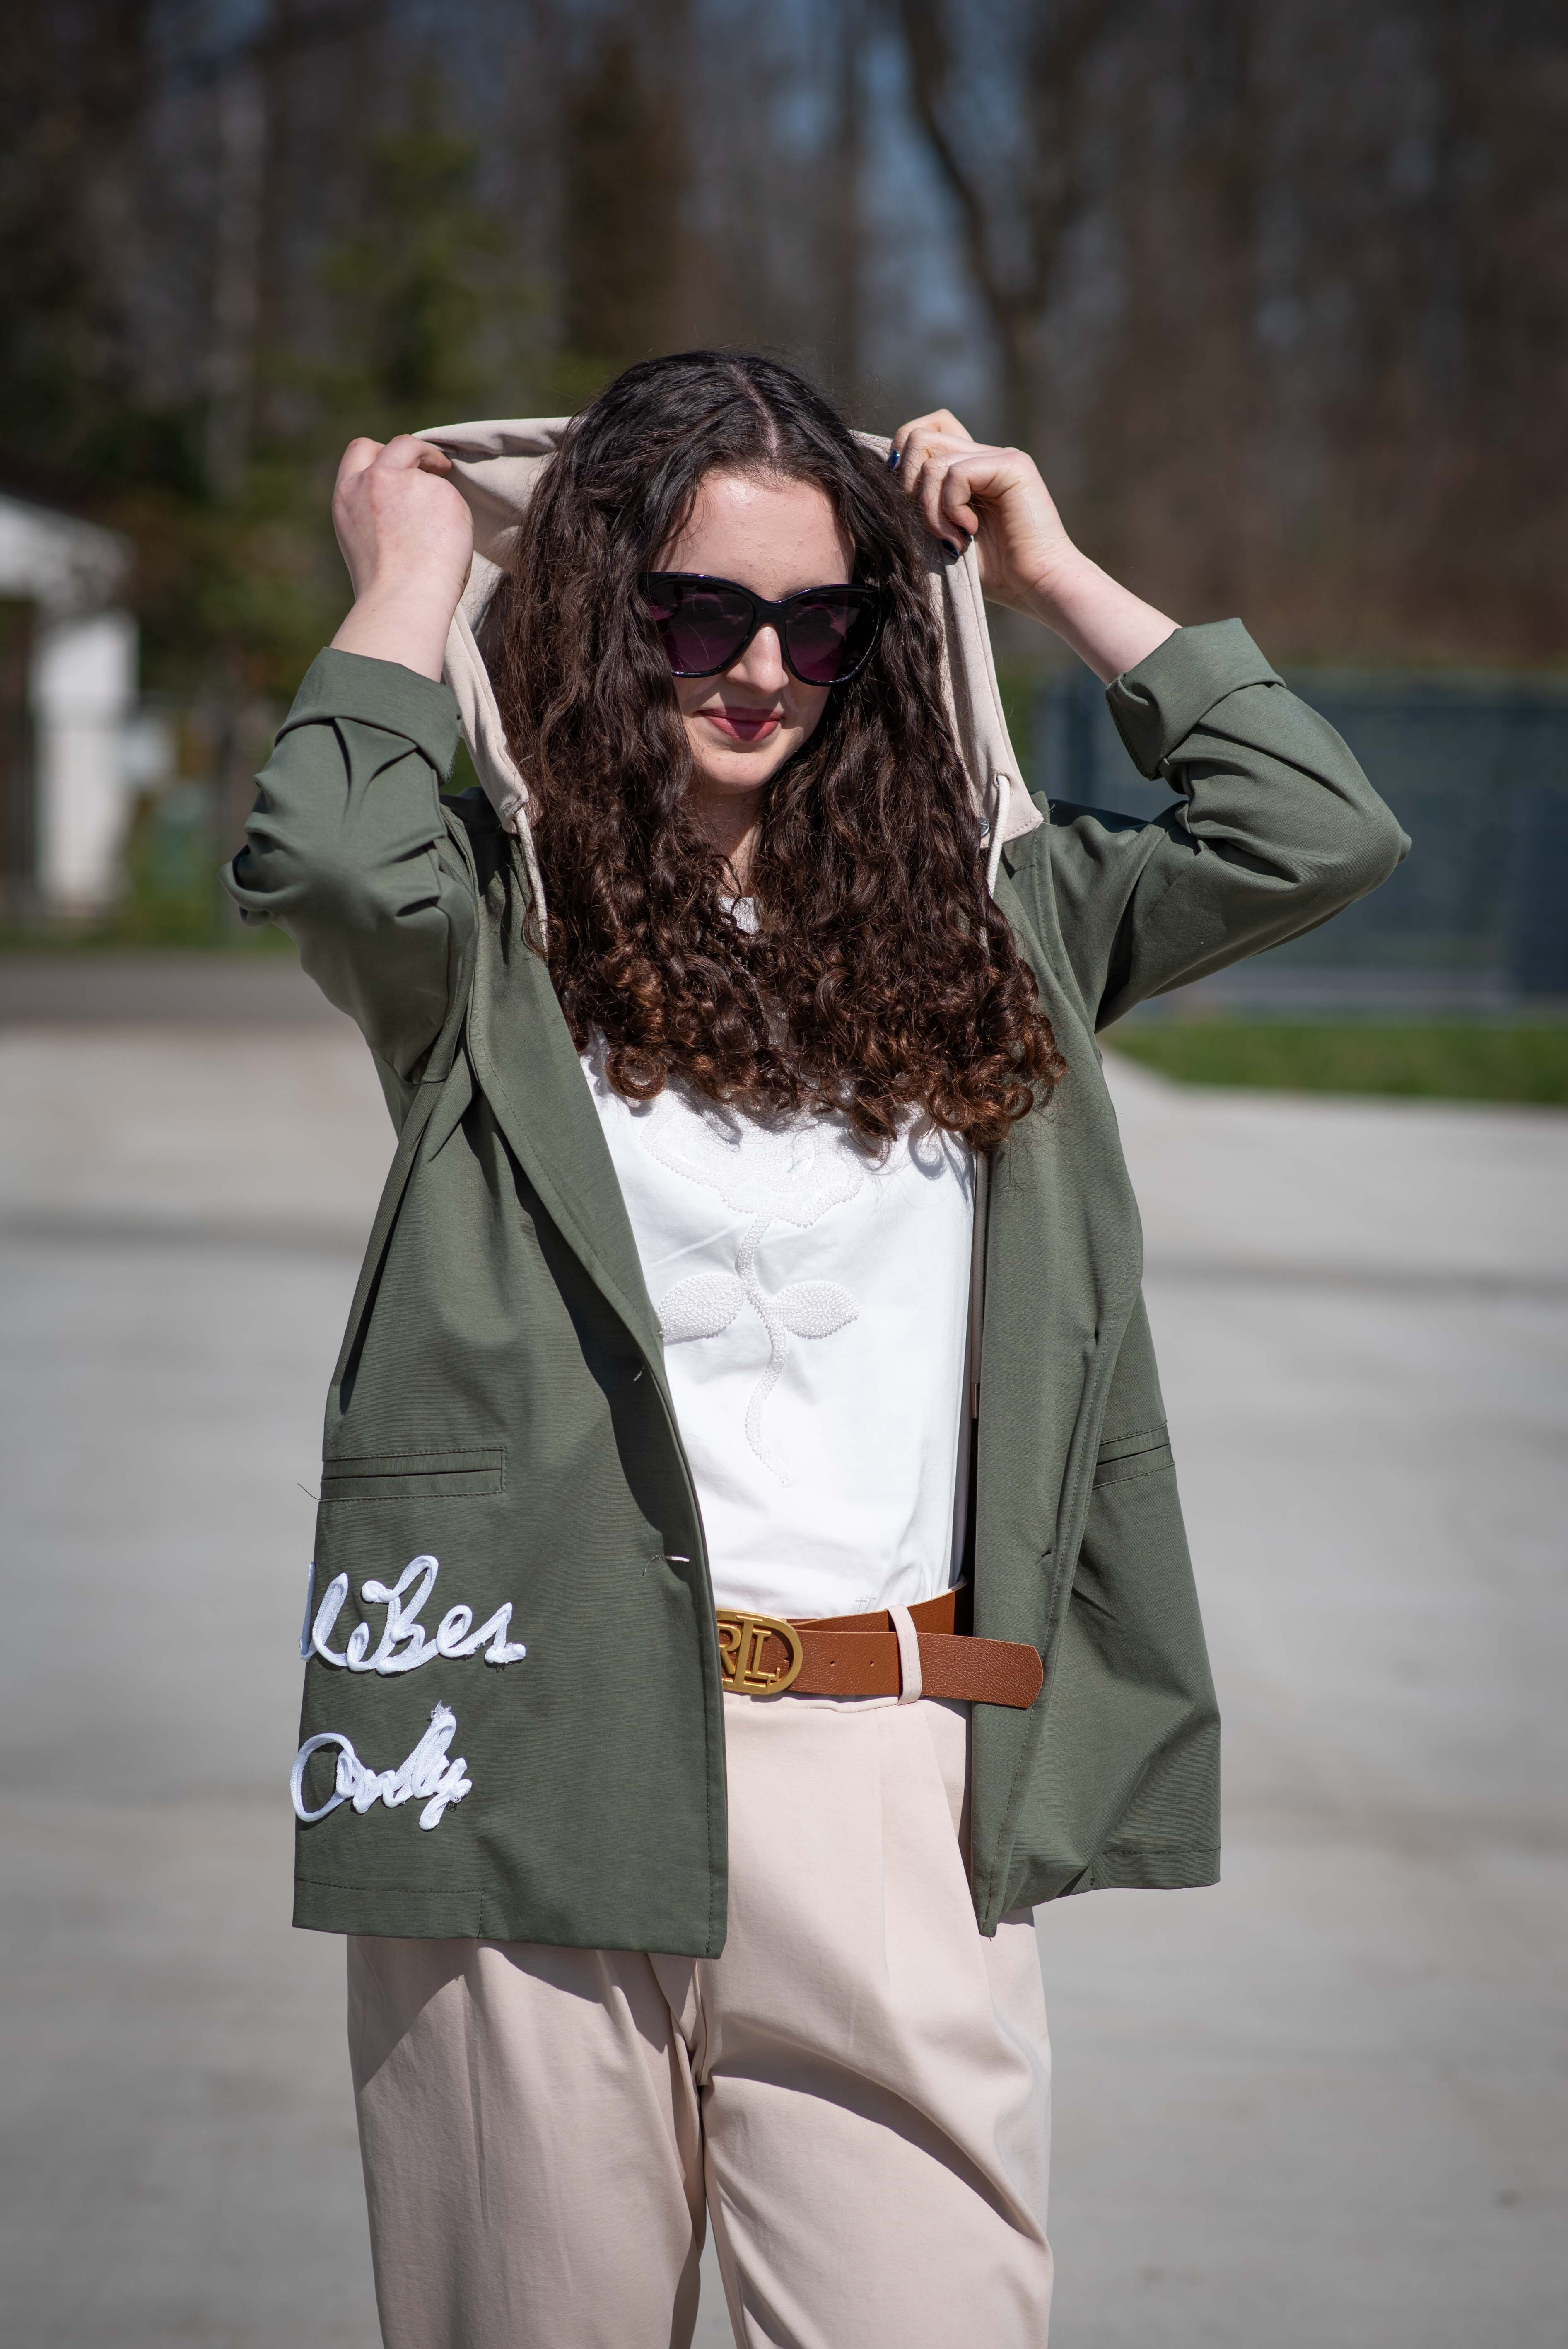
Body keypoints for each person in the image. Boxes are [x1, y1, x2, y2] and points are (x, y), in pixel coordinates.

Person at [224, 351, 1406, 2348]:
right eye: (693, 614)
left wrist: (1046, 573)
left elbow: (1316, 830)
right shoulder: (486, 938)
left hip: (888, 1771)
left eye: (816, 620)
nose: (758, 668)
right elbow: (327, 856)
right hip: (535, 1747)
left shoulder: (1002, 926)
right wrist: (410, 575)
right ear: (597, 617)